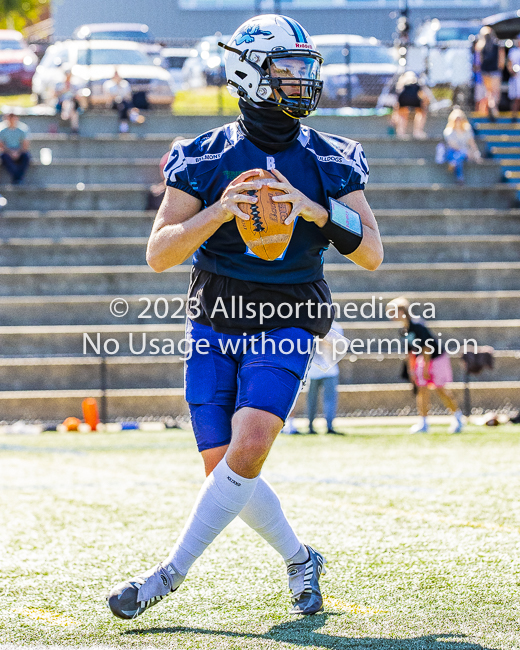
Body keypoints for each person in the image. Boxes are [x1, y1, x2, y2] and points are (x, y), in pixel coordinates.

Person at [107, 14, 383, 620]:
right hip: (214, 313)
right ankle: (300, 556)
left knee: (252, 442)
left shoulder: (331, 158)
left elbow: (371, 252)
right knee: (223, 467)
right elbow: (158, 254)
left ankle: (166, 575)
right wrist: (216, 213)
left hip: (289, 312)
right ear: (248, 73)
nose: (301, 81)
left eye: (304, 69)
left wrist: (316, 211)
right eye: (287, 69)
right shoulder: (202, 156)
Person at [386, 297, 463, 435]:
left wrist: (426, 368)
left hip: (436, 359)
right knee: (422, 389)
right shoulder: (403, 330)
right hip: (423, 360)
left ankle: (457, 417)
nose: (390, 316)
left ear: (402, 311)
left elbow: (427, 347)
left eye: (393, 312)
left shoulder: (417, 325)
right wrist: (411, 370)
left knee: (440, 389)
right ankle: (423, 423)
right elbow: (410, 352)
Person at [307, 321, 343, 434]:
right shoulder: (310, 325)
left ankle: (329, 425)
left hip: (330, 369)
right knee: (311, 400)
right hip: (313, 370)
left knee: (330, 399)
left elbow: (339, 347)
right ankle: (310, 426)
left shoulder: (336, 327)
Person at [443, 108, 481, 185]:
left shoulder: (467, 130)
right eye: (456, 119)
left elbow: (472, 143)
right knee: (458, 157)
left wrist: (477, 154)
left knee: (458, 159)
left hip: (463, 154)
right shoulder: (448, 131)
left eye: (460, 119)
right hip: (452, 152)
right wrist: (466, 151)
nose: (458, 121)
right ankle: (459, 178)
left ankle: (454, 165)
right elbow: (453, 145)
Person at [474, 27, 505, 121]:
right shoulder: (498, 45)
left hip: (485, 71)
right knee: (495, 92)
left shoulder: (480, 46)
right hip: (495, 71)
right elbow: (501, 61)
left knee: (489, 92)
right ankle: (494, 108)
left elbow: (478, 62)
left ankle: (489, 108)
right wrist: (500, 68)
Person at [103, 68, 145, 133]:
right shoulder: (108, 84)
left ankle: (124, 124)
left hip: (124, 103)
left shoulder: (124, 83)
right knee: (121, 104)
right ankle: (133, 116)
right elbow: (109, 97)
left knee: (123, 104)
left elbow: (128, 96)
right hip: (113, 104)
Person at [394, 71, 429, 140]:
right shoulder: (417, 83)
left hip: (403, 99)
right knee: (421, 113)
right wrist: (424, 105)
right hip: (415, 98)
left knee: (402, 114)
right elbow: (425, 95)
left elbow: (397, 94)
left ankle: (401, 132)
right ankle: (417, 132)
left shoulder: (402, 83)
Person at [0, 112, 30, 185]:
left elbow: (25, 145)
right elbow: (1, 145)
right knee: (5, 157)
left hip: (19, 151)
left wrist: (17, 152)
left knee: (26, 157)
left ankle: (17, 178)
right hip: (7, 152)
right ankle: (18, 177)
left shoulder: (23, 129)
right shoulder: (2, 129)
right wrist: (11, 152)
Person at [55, 67, 85, 135]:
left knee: (72, 108)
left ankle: (66, 114)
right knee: (69, 105)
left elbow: (77, 95)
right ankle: (74, 128)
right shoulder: (59, 84)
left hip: (72, 103)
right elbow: (54, 95)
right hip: (61, 104)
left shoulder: (74, 85)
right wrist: (63, 90)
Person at [507, 39, 520, 123]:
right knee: (516, 98)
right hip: (516, 79)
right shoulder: (513, 51)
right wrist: (512, 71)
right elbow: (509, 64)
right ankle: (514, 116)